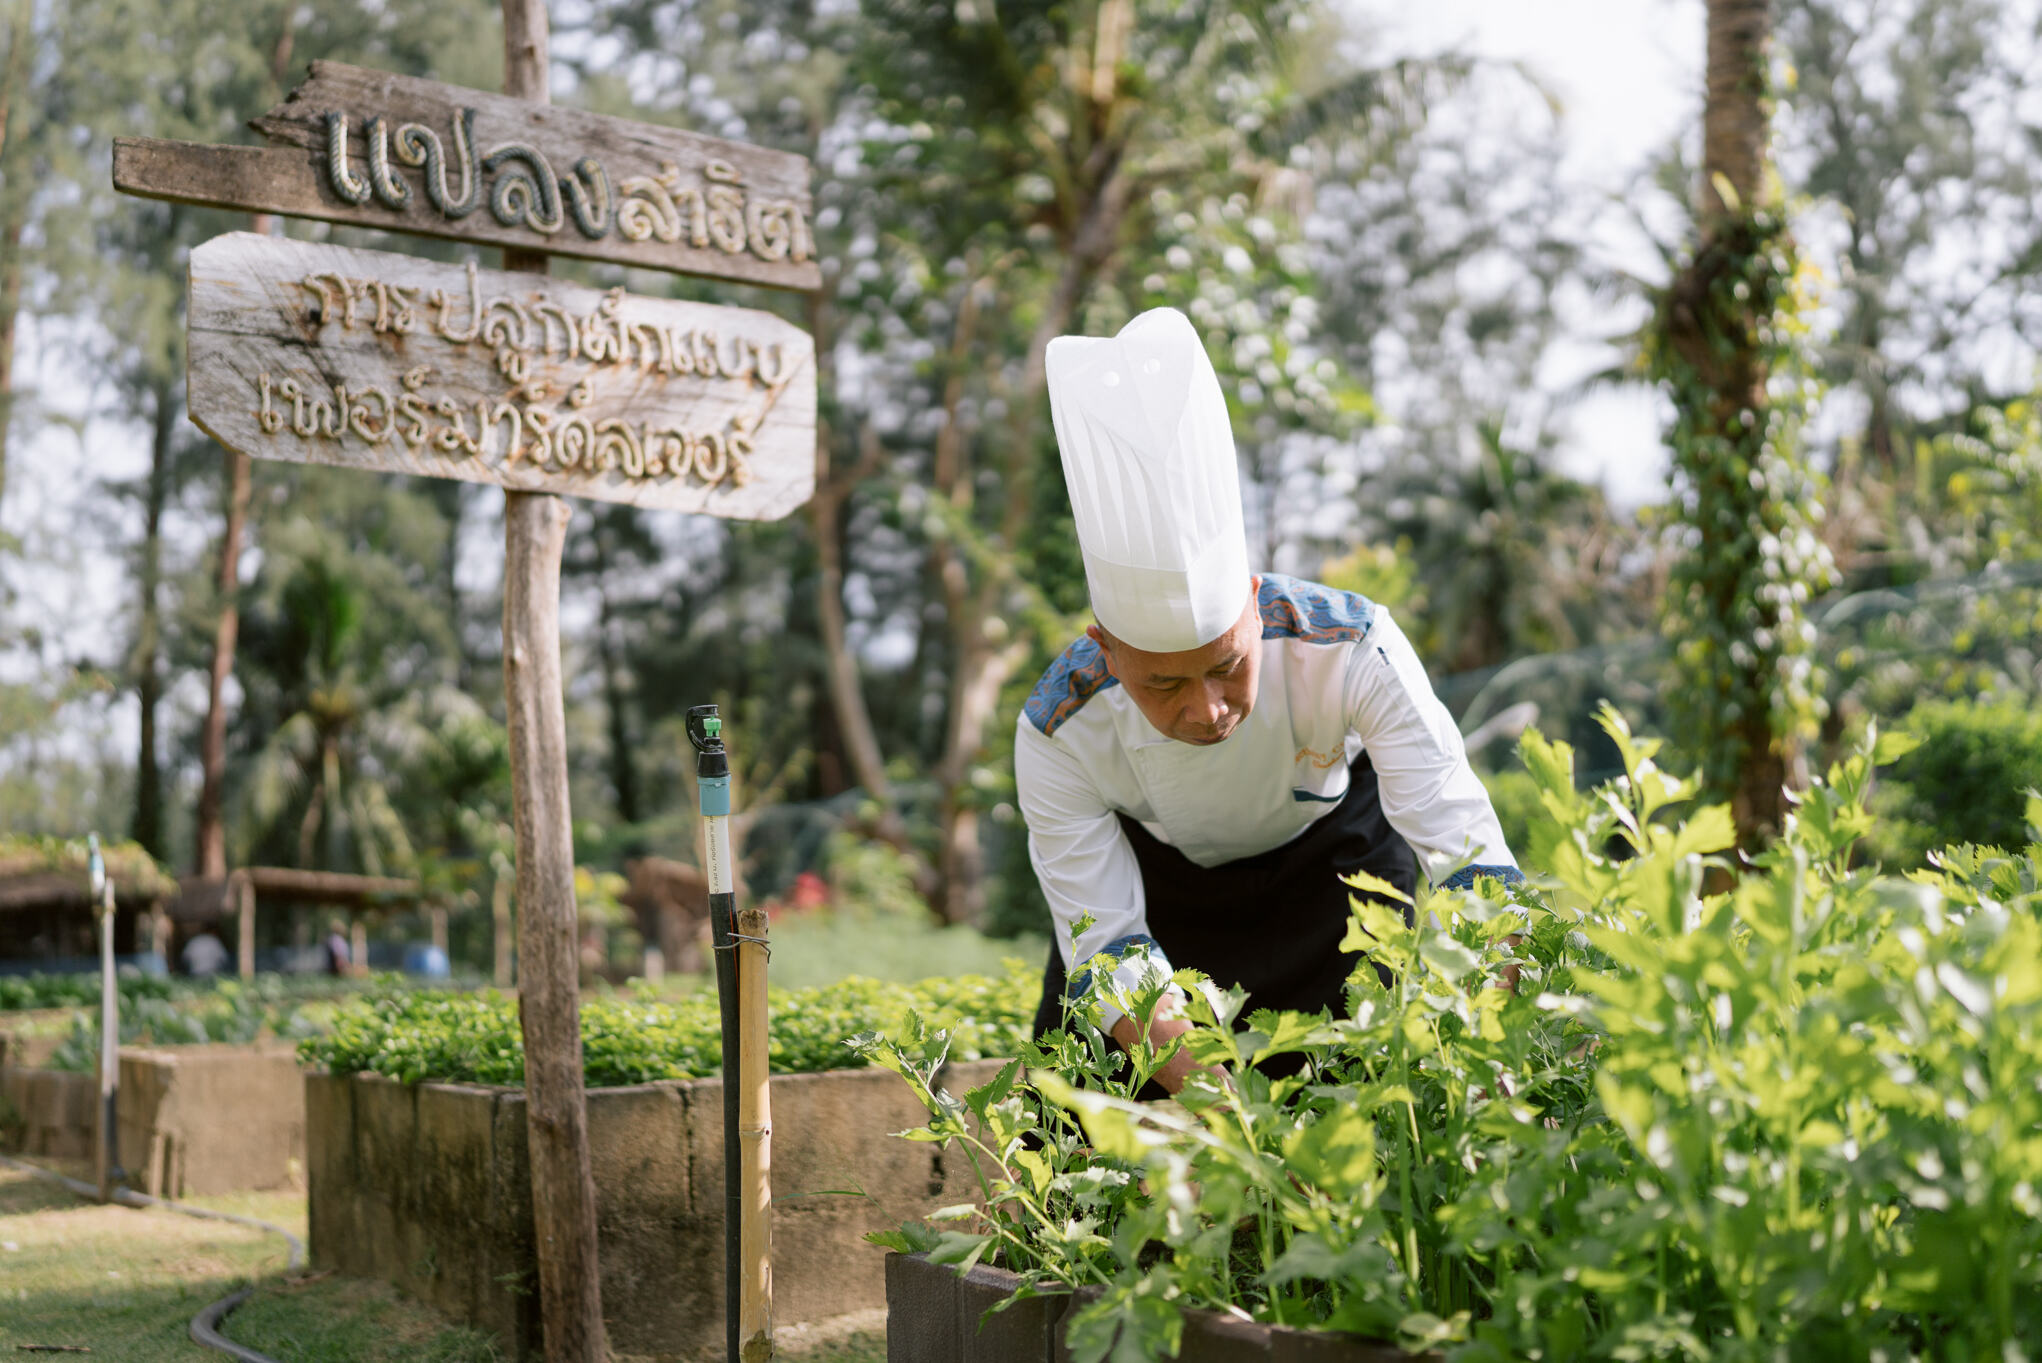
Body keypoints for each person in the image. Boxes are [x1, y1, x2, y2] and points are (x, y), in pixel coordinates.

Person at [1017, 307, 1522, 1094]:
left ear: (1255, 604)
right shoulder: (1058, 730)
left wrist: (1493, 1040)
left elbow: (1466, 852)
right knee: (1081, 1117)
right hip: (1164, 901)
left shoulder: (1354, 647)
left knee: (1383, 1109)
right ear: (1107, 651)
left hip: (1338, 873)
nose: (1209, 709)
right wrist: (1228, 1110)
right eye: (1164, 684)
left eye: (1227, 666)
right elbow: (1106, 940)